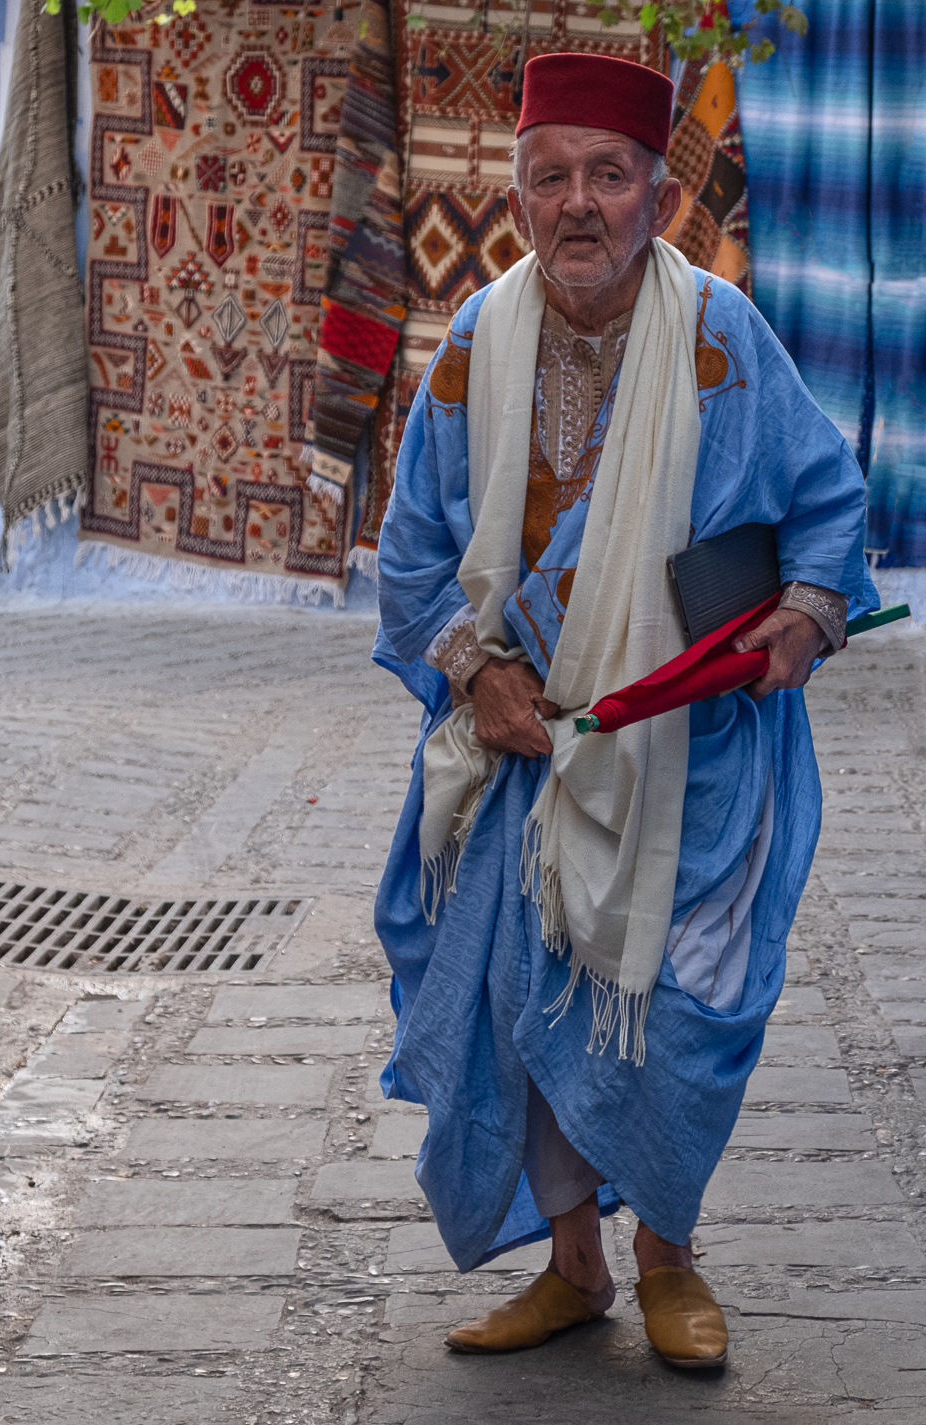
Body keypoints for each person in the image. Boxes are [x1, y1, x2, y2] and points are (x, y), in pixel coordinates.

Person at [371, 51, 876, 1369]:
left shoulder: (720, 339)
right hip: (530, 759)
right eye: (552, 177)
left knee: (683, 1022)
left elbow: (827, 507)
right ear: (519, 195)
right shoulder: (476, 345)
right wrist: (476, 673)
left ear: (659, 192)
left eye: (608, 175)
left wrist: (806, 613)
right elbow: (414, 548)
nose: (578, 202)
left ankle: (668, 1253)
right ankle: (576, 1266)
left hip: (690, 760)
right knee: (518, 1008)